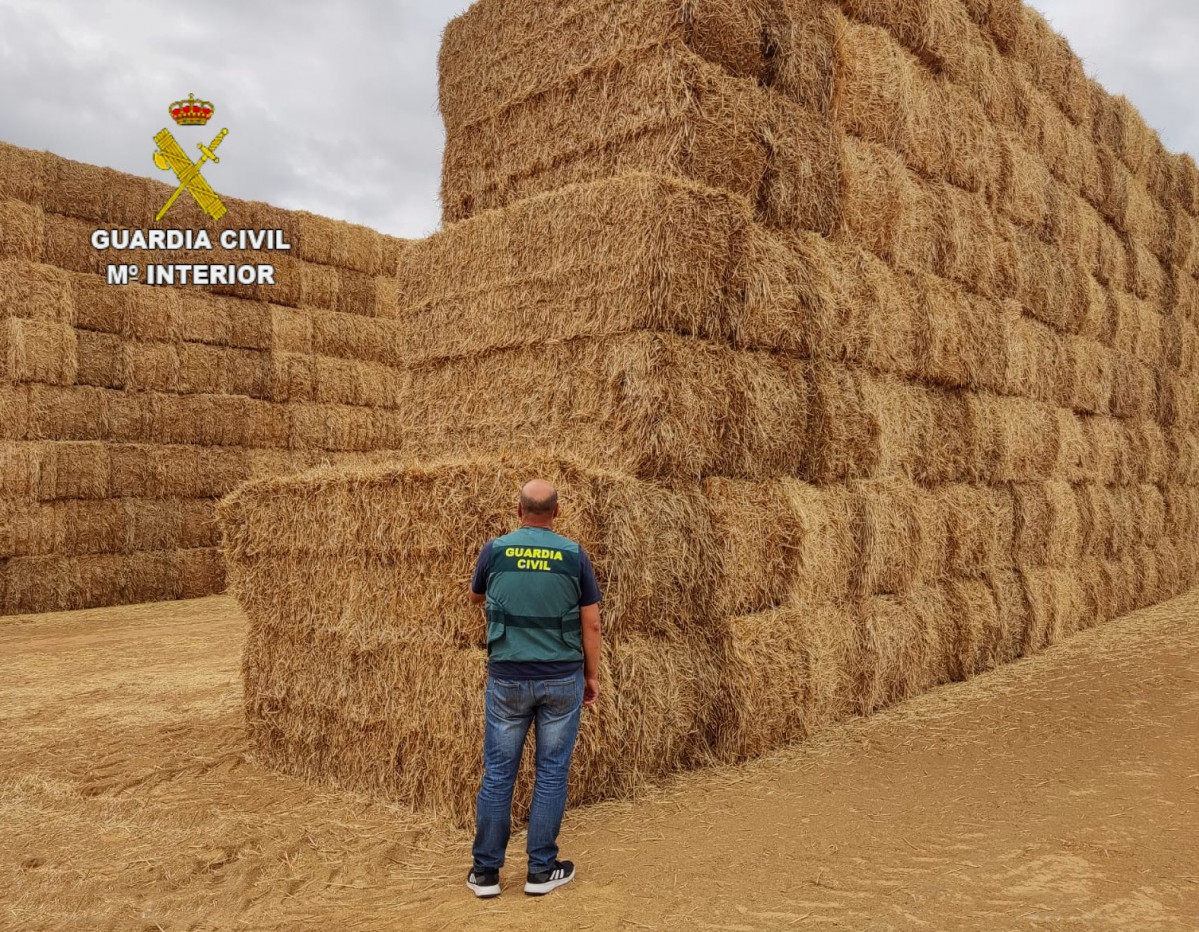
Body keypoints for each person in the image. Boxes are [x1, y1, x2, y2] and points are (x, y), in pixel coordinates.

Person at [465, 479, 602, 898]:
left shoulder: (496, 550)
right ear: (556, 513)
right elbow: (591, 622)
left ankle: (485, 873)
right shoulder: (574, 555)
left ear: (518, 510)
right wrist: (591, 676)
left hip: (508, 679)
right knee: (551, 774)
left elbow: (474, 598)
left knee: (499, 774)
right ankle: (540, 871)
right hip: (562, 678)